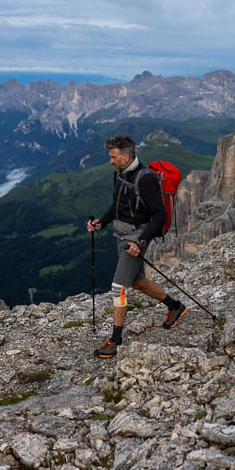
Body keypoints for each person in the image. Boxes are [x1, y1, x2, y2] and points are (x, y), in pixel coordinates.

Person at [87, 135, 187, 359]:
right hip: (121, 235)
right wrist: (101, 222)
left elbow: (159, 215)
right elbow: (116, 205)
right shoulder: (120, 174)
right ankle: (175, 306)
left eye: (113, 157)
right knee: (137, 281)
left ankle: (115, 340)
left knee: (118, 287)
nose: (110, 161)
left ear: (126, 156)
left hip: (136, 237)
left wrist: (139, 241)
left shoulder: (146, 179)